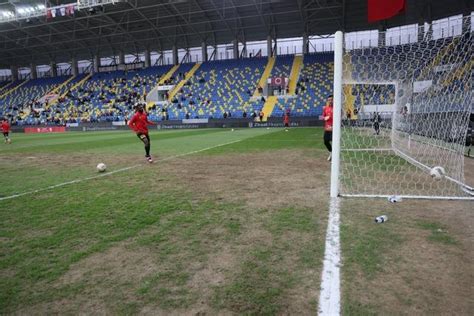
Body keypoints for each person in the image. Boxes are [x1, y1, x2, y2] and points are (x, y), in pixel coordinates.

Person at [322, 95, 334, 161]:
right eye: (329, 100)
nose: (330, 101)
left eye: (331, 100)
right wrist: (325, 118)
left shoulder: (336, 108)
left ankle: (334, 155)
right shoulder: (325, 108)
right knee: (326, 141)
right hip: (327, 128)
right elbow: (322, 116)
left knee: (334, 142)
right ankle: (331, 152)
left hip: (334, 128)